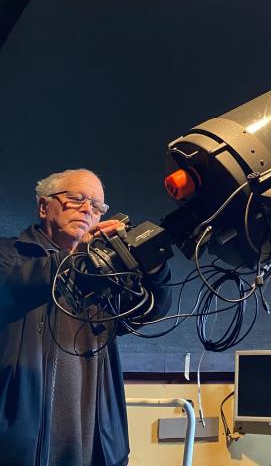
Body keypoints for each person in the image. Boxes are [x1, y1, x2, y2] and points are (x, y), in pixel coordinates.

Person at [0, 168, 172, 465]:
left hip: (95, 449)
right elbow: (15, 285)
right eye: (76, 198)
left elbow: (150, 309)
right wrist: (80, 256)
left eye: (96, 206)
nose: (86, 208)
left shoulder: (105, 275)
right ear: (44, 206)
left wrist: (154, 267)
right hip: (20, 450)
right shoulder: (9, 254)